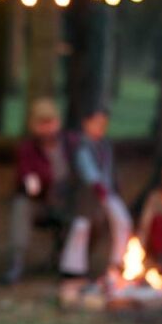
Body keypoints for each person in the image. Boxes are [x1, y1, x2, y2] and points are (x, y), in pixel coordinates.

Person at [1, 98, 72, 285]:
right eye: (42, 124)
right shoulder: (28, 149)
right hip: (41, 202)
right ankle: (16, 263)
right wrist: (33, 185)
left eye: (50, 123)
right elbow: (26, 178)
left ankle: (69, 264)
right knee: (21, 206)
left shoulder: (70, 145)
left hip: (68, 202)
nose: (47, 129)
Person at [58, 108, 132, 284]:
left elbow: (109, 169)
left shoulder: (105, 145)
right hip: (84, 197)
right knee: (81, 227)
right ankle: (73, 268)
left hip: (106, 192)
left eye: (103, 124)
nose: (100, 128)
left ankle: (118, 262)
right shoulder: (80, 145)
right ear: (86, 123)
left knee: (123, 221)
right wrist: (95, 184)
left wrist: (111, 186)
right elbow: (85, 169)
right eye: (96, 123)